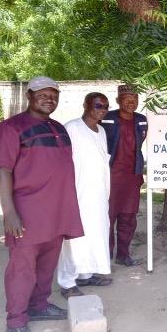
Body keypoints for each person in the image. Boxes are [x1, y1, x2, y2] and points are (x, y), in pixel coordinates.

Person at [0, 76, 84, 332]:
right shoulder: (11, 128)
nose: (49, 99)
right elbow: (2, 170)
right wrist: (9, 212)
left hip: (57, 211)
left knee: (47, 264)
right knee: (22, 268)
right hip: (27, 212)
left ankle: (39, 305)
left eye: (54, 95)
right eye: (42, 94)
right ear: (29, 96)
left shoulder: (58, 127)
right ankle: (16, 321)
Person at [57, 92, 113, 299]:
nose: (102, 109)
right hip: (77, 192)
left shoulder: (101, 131)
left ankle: (85, 275)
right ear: (86, 105)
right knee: (74, 239)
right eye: (98, 105)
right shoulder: (72, 128)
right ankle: (67, 282)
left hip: (98, 194)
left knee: (96, 235)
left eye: (106, 106)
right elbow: (62, 162)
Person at [101, 84, 148, 266]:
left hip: (132, 177)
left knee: (129, 217)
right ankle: (105, 256)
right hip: (111, 177)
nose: (131, 103)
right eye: (127, 99)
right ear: (118, 101)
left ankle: (123, 254)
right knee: (108, 216)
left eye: (135, 99)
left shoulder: (141, 119)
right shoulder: (106, 118)